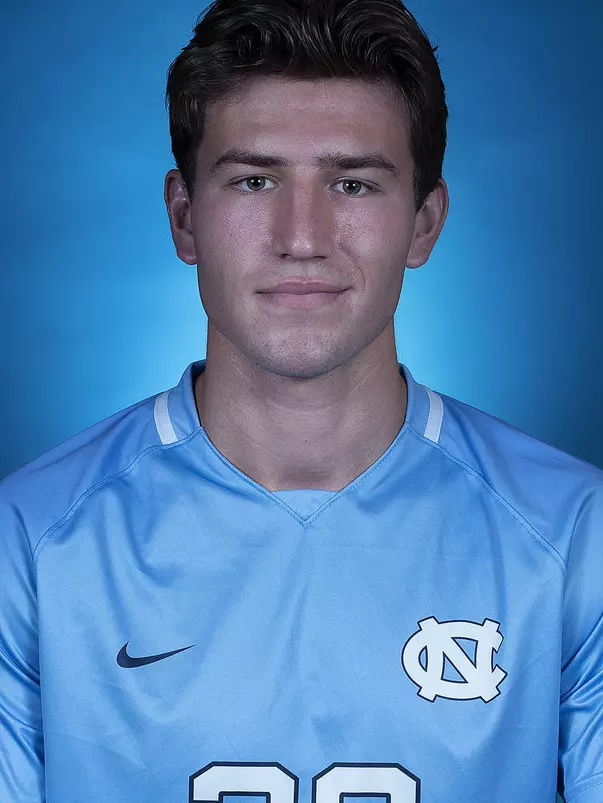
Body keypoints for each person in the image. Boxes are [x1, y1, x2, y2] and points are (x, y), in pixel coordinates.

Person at [0, 0, 601, 800]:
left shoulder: (572, 539)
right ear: (185, 217)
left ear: (423, 223)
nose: (302, 235)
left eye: (352, 183)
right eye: (254, 179)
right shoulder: (31, 544)